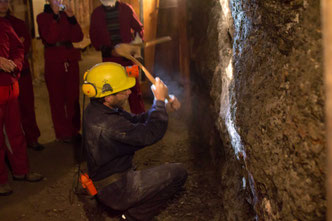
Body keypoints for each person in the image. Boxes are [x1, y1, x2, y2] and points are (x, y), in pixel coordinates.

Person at [82, 62, 187, 221]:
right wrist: (158, 100)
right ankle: (130, 217)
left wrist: (162, 108)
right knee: (179, 173)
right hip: (116, 188)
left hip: (108, 181)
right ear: (108, 96)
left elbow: (136, 121)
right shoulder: (107, 124)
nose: (129, 92)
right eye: (123, 90)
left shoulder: (99, 109)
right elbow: (150, 134)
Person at [0, 15, 43, 196]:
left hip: (9, 86)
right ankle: (1, 180)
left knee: (15, 132)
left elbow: (19, 47)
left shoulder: (4, 25)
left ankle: (21, 170)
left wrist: (15, 65)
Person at [0, 0, 44, 151]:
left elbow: (23, 47)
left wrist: (14, 64)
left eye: (5, 0)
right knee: (10, 117)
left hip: (20, 72)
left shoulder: (18, 23)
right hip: (4, 79)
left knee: (27, 107)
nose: (3, 4)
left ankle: (32, 138)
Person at [37, 0, 83, 143]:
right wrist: (55, 16)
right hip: (54, 61)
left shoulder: (66, 15)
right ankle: (62, 133)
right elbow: (50, 38)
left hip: (70, 59)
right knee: (57, 98)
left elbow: (78, 37)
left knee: (73, 96)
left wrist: (72, 18)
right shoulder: (42, 17)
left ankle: (74, 130)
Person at [90, 0, 145, 114]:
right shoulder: (96, 14)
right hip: (110, 62)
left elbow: (139, 29)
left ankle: (140, 121)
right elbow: (94, 39)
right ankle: (118, 122)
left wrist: (136, 43)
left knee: (135, 91)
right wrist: (110, 51)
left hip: (129, 60)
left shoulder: (126, 9)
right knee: (113, 94)